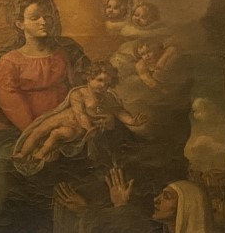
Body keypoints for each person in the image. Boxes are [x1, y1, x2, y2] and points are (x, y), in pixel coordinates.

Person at [0, 0, 89, 224]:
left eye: (47, 16)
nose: (44, 22)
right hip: (25, 129)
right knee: (5, 157)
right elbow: (12, 104)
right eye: (35, 17)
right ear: (20, 24)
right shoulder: (9, 62)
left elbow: (81, 89)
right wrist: (40, 136)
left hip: (66, 122)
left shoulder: (64, 54)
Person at [12, 62, 145, 175]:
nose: (103, 86)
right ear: (89, 78)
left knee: (56, 134)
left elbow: (119, 112)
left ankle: (40, 155)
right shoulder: (78, 93)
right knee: (39, 130)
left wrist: (132, 121)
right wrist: (89, 125)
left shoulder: (108, 98)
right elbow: (80, 113)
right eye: (100, 80)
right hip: (66, 118)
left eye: (107, 84)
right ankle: (22, 153)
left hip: (79, 129)